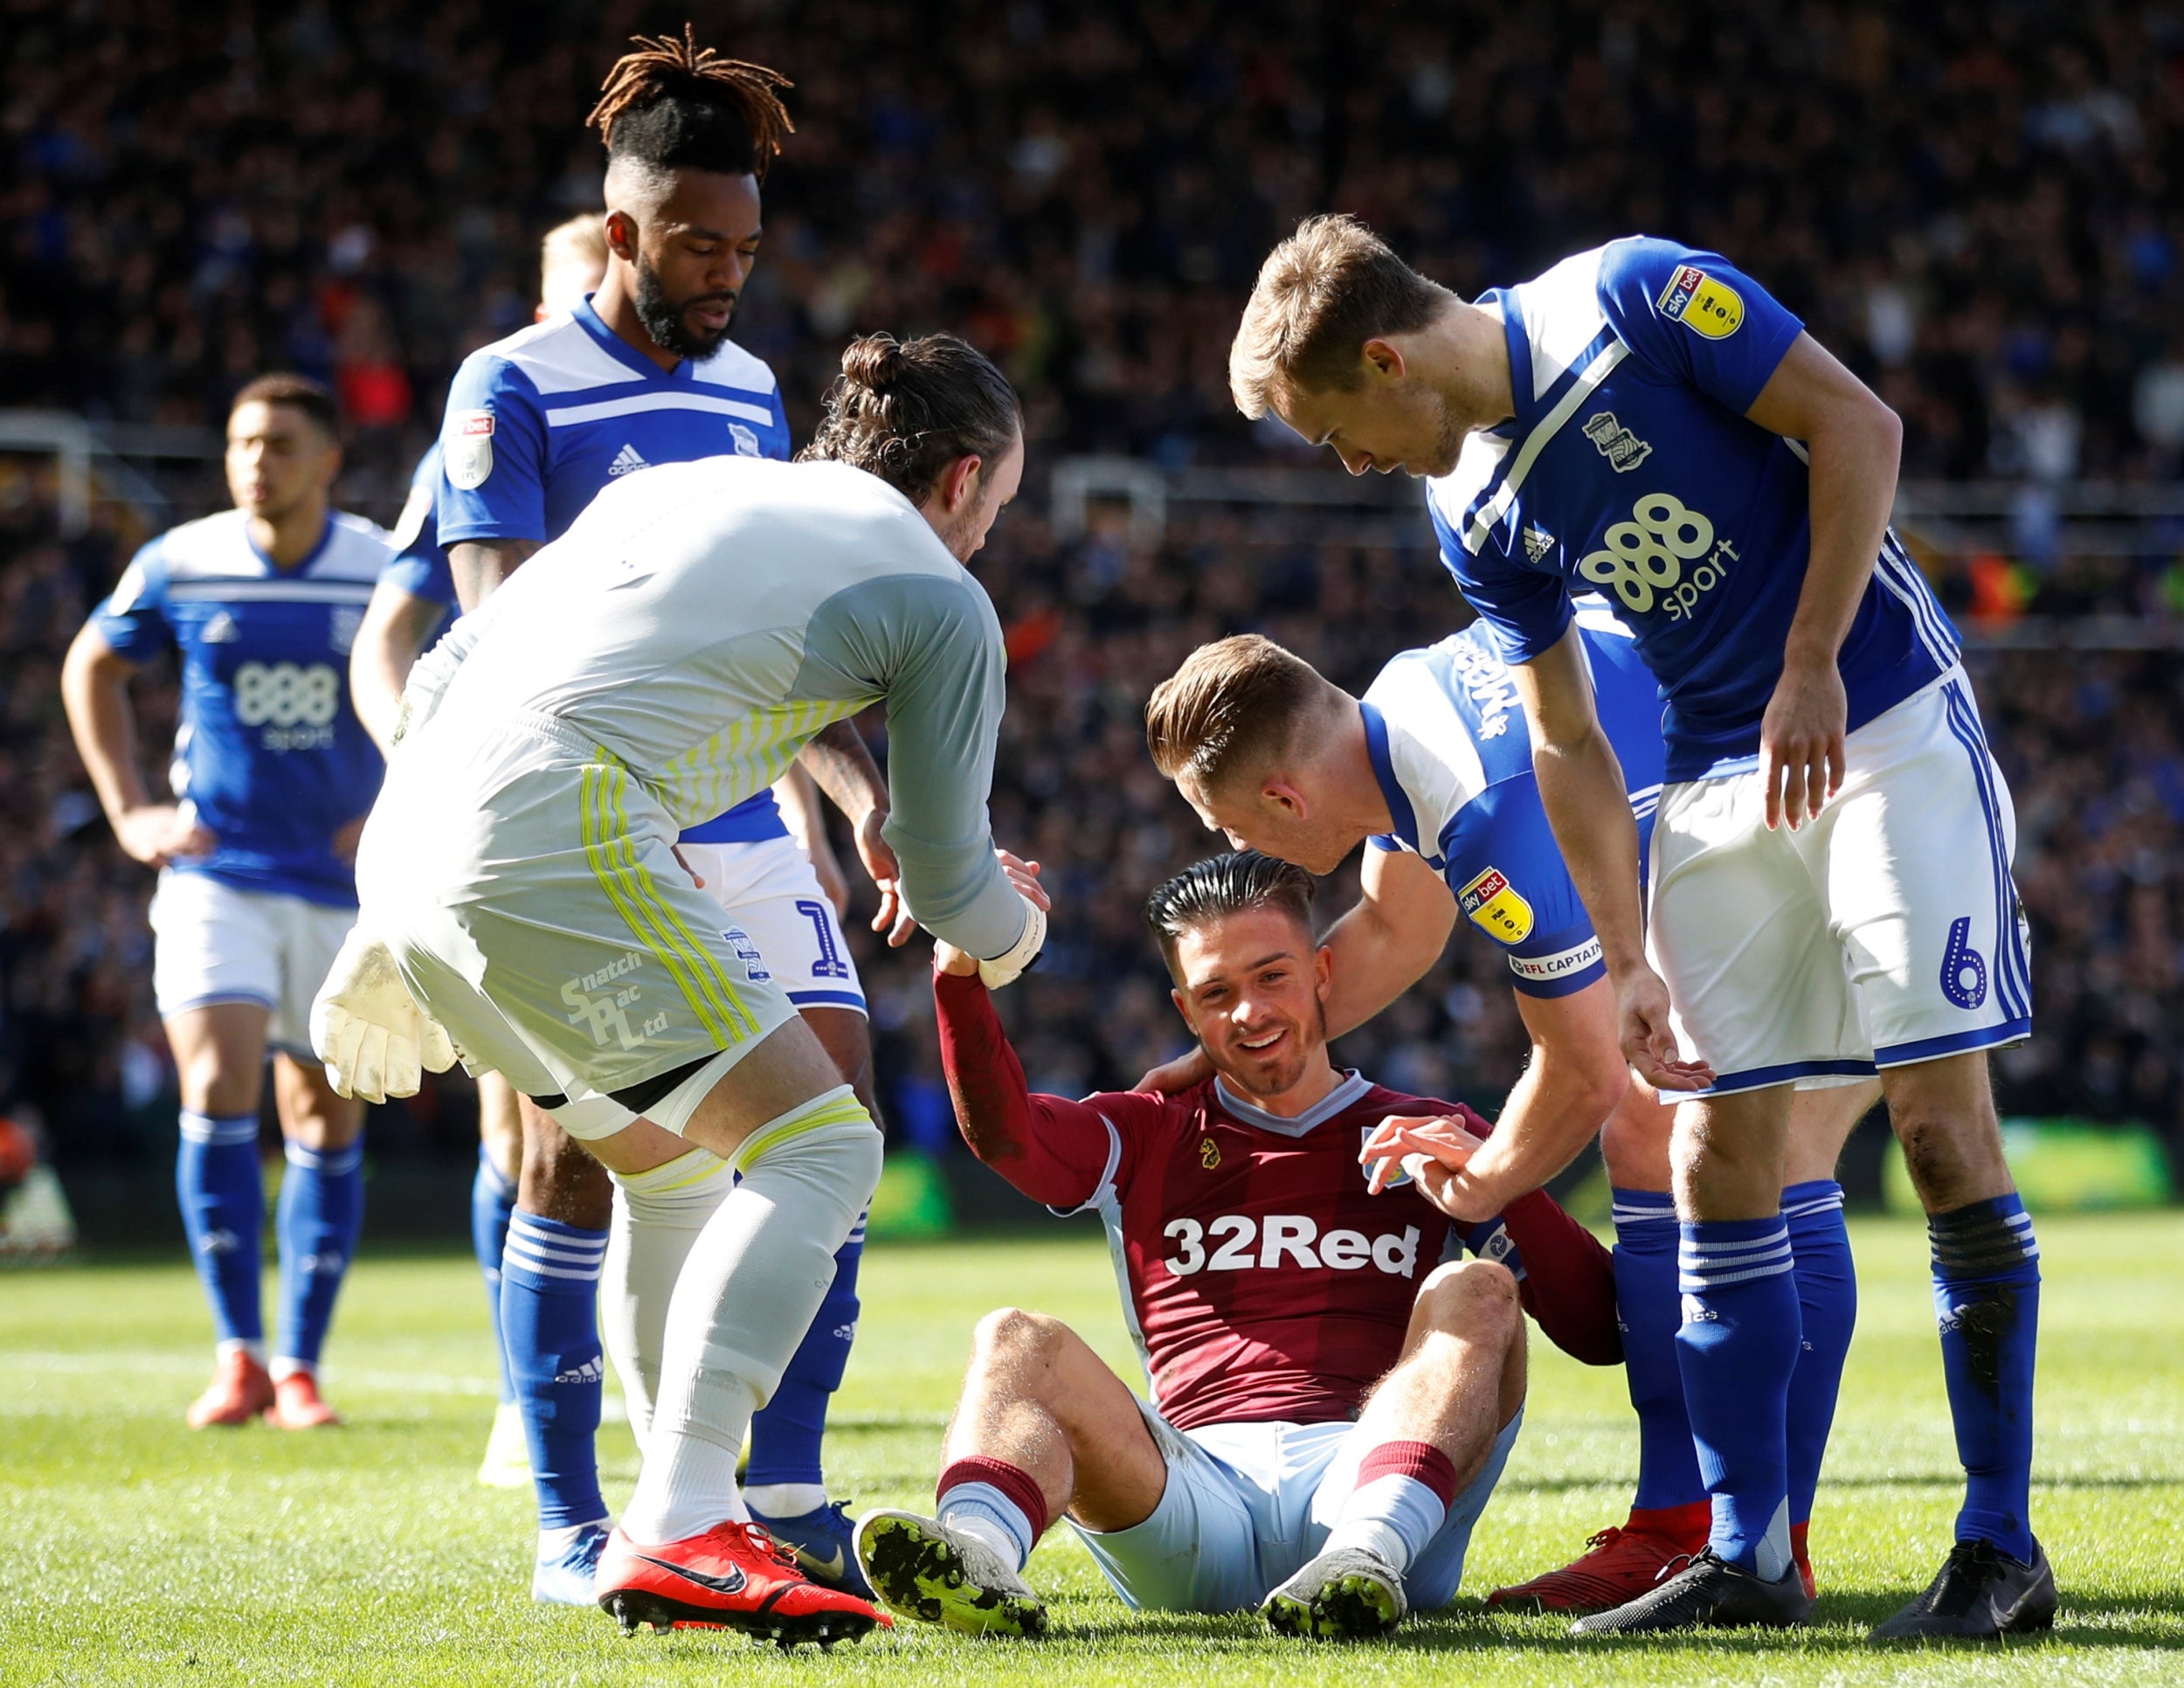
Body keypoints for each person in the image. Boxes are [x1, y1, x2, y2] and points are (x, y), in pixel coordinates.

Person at [1227, 215, 2048, 1641]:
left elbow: (1860, 423)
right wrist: (1625, 956)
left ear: (1382, 355)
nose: (1344, 461)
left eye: (1334, 426)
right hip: (1715, 784)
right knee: (1708, 1148)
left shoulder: (1629, 296)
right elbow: (1562, 740)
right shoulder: (1468, 509)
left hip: (1881, 718)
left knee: (1937, 1127)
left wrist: (1810, 665)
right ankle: (1748, 1554)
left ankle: (1998, 1545)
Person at [313, 331, 1038, 1649]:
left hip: (414, 843)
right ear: (963, 476)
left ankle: (665, 1515)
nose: (988, 537)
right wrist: (1014, 932)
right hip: (553, 824)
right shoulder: (941, 596)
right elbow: (949, 884)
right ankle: (695, 1514)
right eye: (996, 508)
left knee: (669, 1174)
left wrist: (384, 912)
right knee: (822, 1147)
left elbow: (452, 666)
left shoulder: (673, 488)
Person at [425, 30, 899, 1601]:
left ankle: (776, 1484)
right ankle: (570, 1522)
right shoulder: (512, 384)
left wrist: (860, 799)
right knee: (592, 1158)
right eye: (700, 243)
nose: (729, 275)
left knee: (839, 1085)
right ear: (620, 231)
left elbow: (787, 637)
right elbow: (497, 626)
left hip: (741, 814)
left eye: (748, 249)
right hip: (586, 816)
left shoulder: (758, 388)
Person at [1141, 620, 1877, 1612]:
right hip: (1783, 805)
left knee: (1755, 1151)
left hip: (1856, 820)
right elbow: (1399, 928)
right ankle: (1678, 1526)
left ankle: (1759, 1544)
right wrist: (1218, 1057)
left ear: (1283, 795)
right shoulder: (1397, 709)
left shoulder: (1489, 817)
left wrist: (1482, 1181)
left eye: (1226, 823)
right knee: (1658, 1136)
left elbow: (1579, 1071)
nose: (1231, 846)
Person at [853, 851, 1621, 1642]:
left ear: (1323, 971)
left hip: (1375, 1479)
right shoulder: (1148, 1128)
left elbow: (1599, 1330)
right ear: (1187, 1011)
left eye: (1271, 977)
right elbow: (1007, 1136)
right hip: (1192, 1493)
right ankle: (974, 1556)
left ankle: (1364, 1559)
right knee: (1014, 1339)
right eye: (1218, 993)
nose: (1249, 1012)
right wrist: (959, 975)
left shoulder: (1428, 1129)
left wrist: (1492, 1179)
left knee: (1477, 1287)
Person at [61, 375, 388, 1431]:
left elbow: (453, 686)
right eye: (244, 442)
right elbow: (92, 665)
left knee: (322, 1111)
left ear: (328, 460)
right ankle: (238, 1356)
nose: (257, 461)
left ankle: (301, 1364)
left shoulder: (382, 569)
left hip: (345, 889)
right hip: (218, 872)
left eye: (282, 444)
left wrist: (398, 807)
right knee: (215, 1082)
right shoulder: (180, 562)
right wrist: (127, 811)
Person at [348, 211, 608, 1494]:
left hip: (670, 799)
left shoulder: (693, 417)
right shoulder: (491, 424)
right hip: (520, 794)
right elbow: (386, 631)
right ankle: (534, 1398)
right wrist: (422, 755)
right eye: (563, 299)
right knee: (527, 1121)